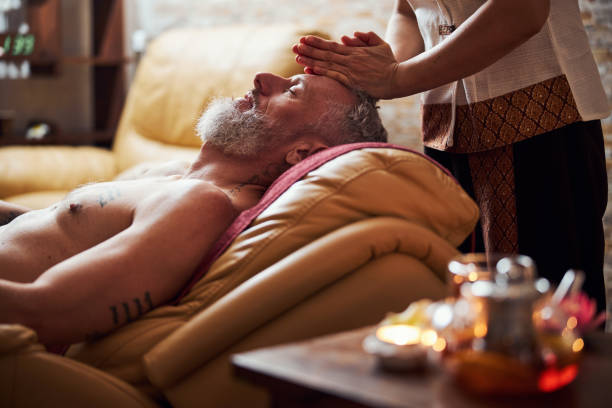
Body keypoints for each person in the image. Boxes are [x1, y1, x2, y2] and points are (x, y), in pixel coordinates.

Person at [0, 72, 387, 349]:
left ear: (302, 153)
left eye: (292, 91)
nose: (262, 78)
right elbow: (56, 233)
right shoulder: (173, 177)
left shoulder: (202, 205)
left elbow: (47, 313)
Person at [293, 0, 610, 312]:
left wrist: (396, 77)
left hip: (539, 127)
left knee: (547, 322)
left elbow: (523, 10)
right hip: (446, 133)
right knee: (467, 315)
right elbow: (408, 10)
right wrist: (379, 67)